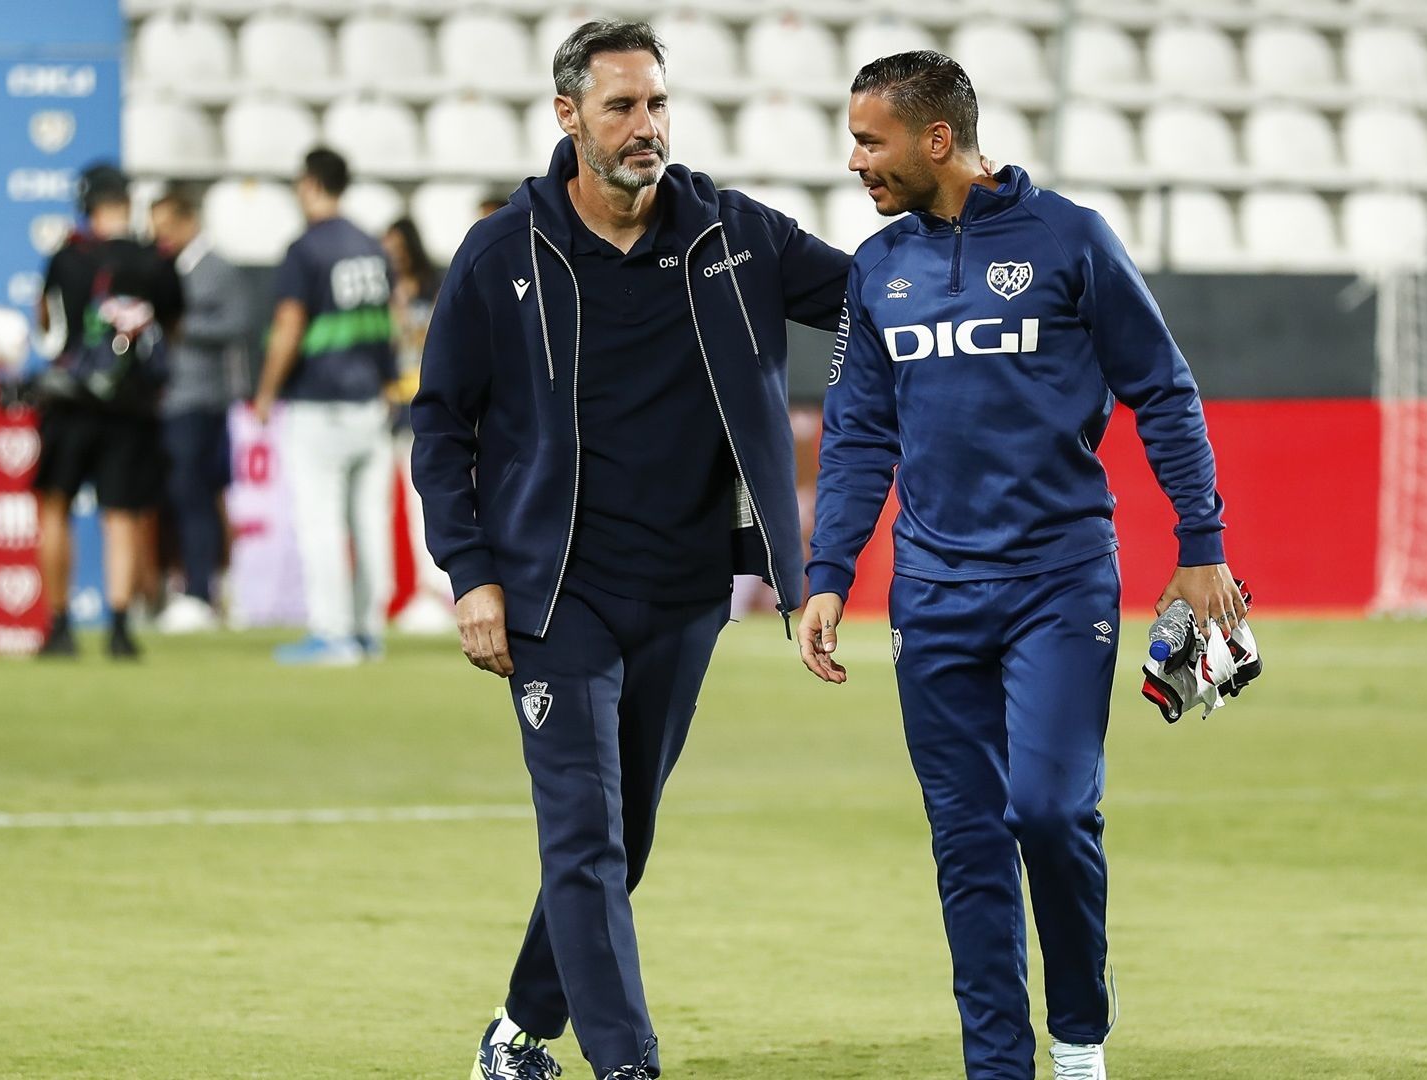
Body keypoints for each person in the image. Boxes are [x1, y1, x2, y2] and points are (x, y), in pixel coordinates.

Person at [798, 52, 1249, 1080]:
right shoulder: (877, 269)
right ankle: (997, 1066)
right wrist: (830, 574)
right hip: (932, 592)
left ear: (938, 140)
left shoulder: (1071, 239)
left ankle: (1079, 1035)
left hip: (1059, 581)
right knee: (965, 841)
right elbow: (862, 430)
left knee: (1048, 811)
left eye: (872, 140)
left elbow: (1164, 392)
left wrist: (1202, 545)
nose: (856, 159)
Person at [411, 20, 847, 1080]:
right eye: (622, 106)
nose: (646, 125)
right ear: (569, 117)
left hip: (688, 591)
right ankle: (627, 1064)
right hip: (552, 596)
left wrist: (985, 231)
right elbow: (438, 426)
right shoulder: (500, 251)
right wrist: (471, 573)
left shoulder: (732, 234)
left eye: (656, 103)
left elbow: (877, 300)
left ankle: (516, 1037)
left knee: (626, 838)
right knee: (585, 838)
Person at [252, 148, 398, 665]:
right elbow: (388, 326)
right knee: (368, 522)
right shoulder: (371, 248)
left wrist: (266, 391)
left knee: (321, 523)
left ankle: (332, 635)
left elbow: (289, 327)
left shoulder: (306, 249)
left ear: (310, 183)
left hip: (319, 402)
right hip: (368, 402)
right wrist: (387, 383)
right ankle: (367, 630)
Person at [34, 164, 184, 659]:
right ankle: (120, 625)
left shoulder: (66, 259)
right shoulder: (153, 260)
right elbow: (173, 324)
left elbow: (48, 323)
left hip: (71, 402)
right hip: (132, 406)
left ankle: (60, 625)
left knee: (55, 505)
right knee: (120, 514)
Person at [149, 188, 251, 634]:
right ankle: (186, 586)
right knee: (179, 497)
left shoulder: (216, 268)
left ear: (189, 220)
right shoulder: (167, 266)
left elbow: (239, 322)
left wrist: (184, 326)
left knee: (197, 496)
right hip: (171, 397)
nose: (161, 235)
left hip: (200, 398)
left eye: (167, 225)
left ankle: (200, 592)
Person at [380, 217, 455, 634]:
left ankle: (437, 591)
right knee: (394, 506)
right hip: (393, 407)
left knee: (424, 501)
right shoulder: (381, 295)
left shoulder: (435, 288)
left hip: (428, 403)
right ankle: (402, 592)